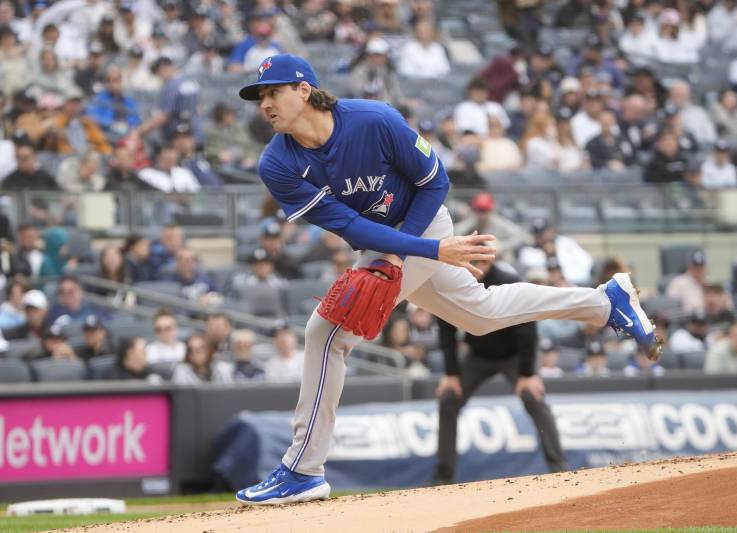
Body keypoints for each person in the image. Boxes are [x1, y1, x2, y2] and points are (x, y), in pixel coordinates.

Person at [233, 53, 660, 505]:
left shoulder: (374, 119)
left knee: (325, 333)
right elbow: (352, 228)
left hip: (424, 222)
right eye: (260, 96)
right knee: (481, 315)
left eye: (273, 92)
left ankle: (302, 469)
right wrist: (411, 254)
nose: (265, 104)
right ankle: (606, 303)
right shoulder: (277, 163)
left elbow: (435, 182)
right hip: (388, 242)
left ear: (304, 90)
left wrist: (416, 249)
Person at [430, 252, 568, 485]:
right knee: (449, 398)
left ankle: (560, 469)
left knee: (532, 396)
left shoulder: (508, 281)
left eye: (474, 262)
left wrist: (527, 374)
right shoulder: (453, 282)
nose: (468, 267)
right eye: (464, 261)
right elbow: (446, 329)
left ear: (488, 262)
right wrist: (451, 374)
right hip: (478, 354)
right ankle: (443, 475)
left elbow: (527, 326)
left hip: (514, 354)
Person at [132, 57, 203, 147]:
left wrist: (139, 131)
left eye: (158, 73)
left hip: (181, 140)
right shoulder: (188, 80)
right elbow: (199, 109)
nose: (158, 76)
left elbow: (163, 116)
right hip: (196, 135)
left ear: (163, 68)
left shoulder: (171, 85)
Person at [518, 218, 594, 286]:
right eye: (537, 234)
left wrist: (567, 279)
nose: (540, 237)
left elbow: (586, 261)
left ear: (551, 231)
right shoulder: (527, 250)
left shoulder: (566, 242)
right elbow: (533, 273)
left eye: (542, 233)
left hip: (573, 283)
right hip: (544, 287)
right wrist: (548, 255)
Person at [452, 192, 530, 259]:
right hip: (473, 260)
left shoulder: (498, 222)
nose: (482, 215)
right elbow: (455, 234)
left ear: (491, 210)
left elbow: (521, 235)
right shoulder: (469, 223)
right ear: (474, 210)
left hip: (496, 261)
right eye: (480, 210)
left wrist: (500, 246)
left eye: (485, 211)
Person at [349, 38, 404, 109]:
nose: (379, 58)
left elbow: (396, 94)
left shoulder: (388, 72)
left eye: (382, 55)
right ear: (368, 56)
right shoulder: (360, 71)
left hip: (387, 107)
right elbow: (357, 91)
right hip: (366, 107)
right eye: (376, 55)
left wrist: (405, 103)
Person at [263, 319, 305, 383]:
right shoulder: (270, 366)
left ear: (294, 337)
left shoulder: (306, 358)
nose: (282, 338)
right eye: (277, 335)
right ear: (273, 342)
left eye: (285, 333)